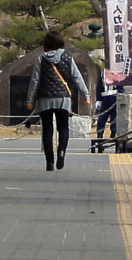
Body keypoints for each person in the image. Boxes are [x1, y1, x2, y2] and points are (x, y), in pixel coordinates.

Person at [27, 32, 89, 172]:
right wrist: (86, 94)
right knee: (63, 127)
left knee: (47, 129)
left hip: (44, 98)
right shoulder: (67, 57)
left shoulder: (41, 59)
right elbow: (77, 76)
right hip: (63, 99)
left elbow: (35, 80)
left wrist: (30, 99)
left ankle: (49, 162)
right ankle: (61, 151)